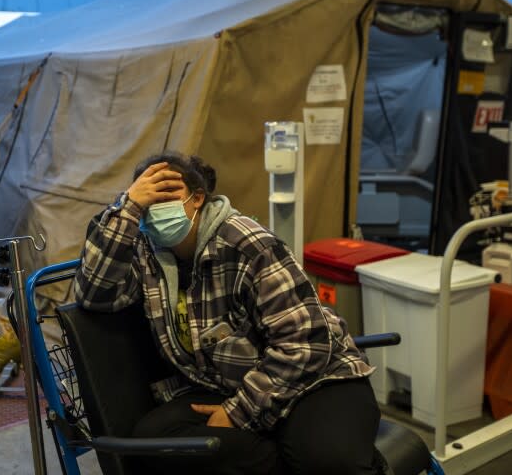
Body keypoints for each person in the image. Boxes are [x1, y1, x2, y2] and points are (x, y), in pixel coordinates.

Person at [73, 152, 381, 474]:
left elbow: (304, 343)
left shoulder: (247, 243)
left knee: (326, 461)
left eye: (169, 197)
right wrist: (127, 207)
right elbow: (93, 294)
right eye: (149, 203)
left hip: (314, 378)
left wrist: (238, 413)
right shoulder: (145, 251)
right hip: (227, 385)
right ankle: (284, 451)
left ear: (198, 199)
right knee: (156, 439)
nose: (158, 210)